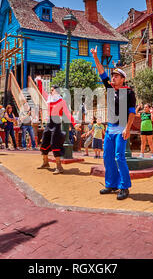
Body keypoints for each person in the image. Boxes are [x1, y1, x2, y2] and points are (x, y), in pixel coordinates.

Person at [91, 47, 136, 200]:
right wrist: (95, 56)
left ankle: (124, 187)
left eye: (117, 76)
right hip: (110, 128)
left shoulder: (129, 92)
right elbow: (102, 73)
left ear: (123, 79)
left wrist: (127, 129)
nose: (114, 78)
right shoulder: (110, 90)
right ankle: (111, 184)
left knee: (119, 157)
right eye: (114, 76)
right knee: (107, 157)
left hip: (122, 128)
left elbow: (132, 113)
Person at [35, 78, 80, 175]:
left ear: (57, 91)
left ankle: (59, 166)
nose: (50, 91)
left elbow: (68, 113)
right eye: (50, 90)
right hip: (49, 122)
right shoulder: (49, 98)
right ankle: (45, 163)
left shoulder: (61, 101)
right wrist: (39, 81)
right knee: (44, 142)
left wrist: (75, 123)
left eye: (52, 90)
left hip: (56, 123)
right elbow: (41, 91)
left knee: (54, 143)